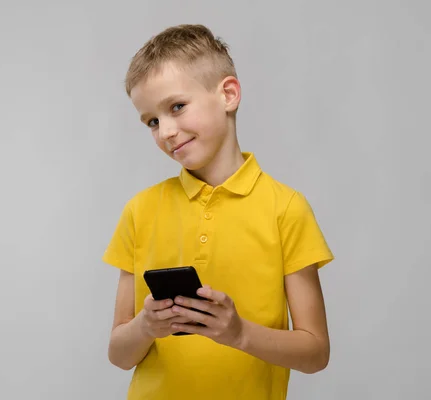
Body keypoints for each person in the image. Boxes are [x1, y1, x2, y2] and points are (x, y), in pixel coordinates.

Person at [102, 24, 334, 400]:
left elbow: (315, 353)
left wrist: (239, 333)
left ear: (228, 94)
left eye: (177, 107)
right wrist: (146, 325)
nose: (166, 132)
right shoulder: (139, 210)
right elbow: (118, 354)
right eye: (152, 121)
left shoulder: (286, 208)